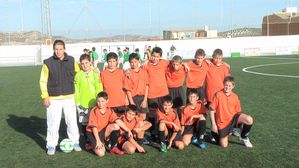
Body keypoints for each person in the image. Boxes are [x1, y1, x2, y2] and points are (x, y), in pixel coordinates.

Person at [39, 39, 81, 155]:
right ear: (53, 50)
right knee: (53, 123)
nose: (58, 51)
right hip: (53, 98)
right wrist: (45, 96)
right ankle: (51, 145)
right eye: (56, 49)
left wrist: (93, 69)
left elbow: (79, 73)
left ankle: (75, 142)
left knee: (72, 121)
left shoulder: (72, 60)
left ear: (64, 49)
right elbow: (43, 81)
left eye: (60, 49)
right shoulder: (48, 63)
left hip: (69, 97)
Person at [209, 76, 254, 148]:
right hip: (222, 123)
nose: (227, 87)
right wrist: (214, 125)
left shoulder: (235, 96)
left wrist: (240, 126)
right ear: (223, 84)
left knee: (249, 119)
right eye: (226, 85)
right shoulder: (218, 95)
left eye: (230, 85)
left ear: (233, 86)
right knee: (224, 145)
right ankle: (214, 133)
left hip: (233, 119)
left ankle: (244, 137)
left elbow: (238, 112)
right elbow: (211, 110)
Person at [86, 92, 133, 157]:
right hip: (92, 133)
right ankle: (91, 144)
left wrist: (128, 130)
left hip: (102, 131)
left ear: (107, 101)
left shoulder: (109, 110)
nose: (100, 103)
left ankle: (113, 147)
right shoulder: (94, 111)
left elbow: (118, 121)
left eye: (102, 101)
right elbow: (94, 128)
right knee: (101, 153)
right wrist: (98, 141)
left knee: (116, 126)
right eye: (98, 101)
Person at [74, 54, 103, 150]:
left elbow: (98, 87)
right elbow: (76, 90)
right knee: (84, 123)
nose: (85, 65)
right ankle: (87, 141)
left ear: (90, 62)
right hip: (82, 104)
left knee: (95, 123)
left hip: (94, 103)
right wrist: (78, 103)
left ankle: (97, 139)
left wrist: (99, 101)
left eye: (86, 63)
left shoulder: (95, 74)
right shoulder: (78, 75)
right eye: (82, 64)